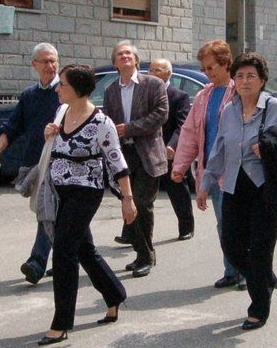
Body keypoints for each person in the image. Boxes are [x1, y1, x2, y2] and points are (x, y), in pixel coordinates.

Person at [199, 53, 277, 330]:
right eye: (240, 75)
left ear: (262, 80)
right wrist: (206, 183)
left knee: (259, 250)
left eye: (251, 76)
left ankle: (258, 307)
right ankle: (264, 278)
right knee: (231, 245)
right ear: (234, 79)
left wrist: (269, 146)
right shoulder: (229, 110)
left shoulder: (275, 108)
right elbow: (219, 147)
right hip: (233, 185)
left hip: (265, 188)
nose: (244, 81)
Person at [36, 64, 138, 345]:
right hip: (60, 193)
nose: (58, 89)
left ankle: (61, 323)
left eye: (63, 85)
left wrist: (127, 200)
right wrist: (50, 134)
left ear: (78, 89)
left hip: (85, 193)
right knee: (84, 250)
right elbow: (55, 148)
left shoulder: (101, 123)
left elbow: (117, 163)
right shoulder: (62, 113)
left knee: (64, 250)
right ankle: (114, 294)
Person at [171, 39, 242, 290]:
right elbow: (190, 133)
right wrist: (180, 166)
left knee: (240, 223)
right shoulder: (204, 96)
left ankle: (248, 271)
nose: (209, 73)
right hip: (213, 171)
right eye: (205, 69)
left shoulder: (240, 91)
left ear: (225, 63)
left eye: (212, 67)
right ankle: (232, 270)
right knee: (224, 223)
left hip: (240, 171)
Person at [0, 43, 61, 285]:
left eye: (54, 61)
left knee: (46, 211)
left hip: (60, 164)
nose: (51, 66)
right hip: (35, 163)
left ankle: (36, 263)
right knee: (61, 218)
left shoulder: (65, 91)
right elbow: (12, 126)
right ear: (34, 65)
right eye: (45, 61)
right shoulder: (30, 95)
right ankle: (69, 259)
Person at [100, 40, 168, 279]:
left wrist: (129, 129)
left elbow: (161, 114)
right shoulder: (110, 90)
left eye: (129, 53)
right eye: (120, 54)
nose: (125, 56)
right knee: (128, 205)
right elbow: (107, 120)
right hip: (123, 157)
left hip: (147, 155)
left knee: (141, 204)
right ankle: (141, 252)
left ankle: (145, 255)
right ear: (115, 62)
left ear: (137, 60)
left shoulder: (154, 84)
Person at [150, 58, 195, 242]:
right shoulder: (145, 93)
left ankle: (186, 227)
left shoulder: (178, 96)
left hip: (169, 149)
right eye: (151, 70)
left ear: (168, 74)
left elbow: (182, 124)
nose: (153, 74)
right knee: (141, 193)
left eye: (158, 70)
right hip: (149, 150)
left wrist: (173, 145)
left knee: (177, 189)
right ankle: (130, 232)